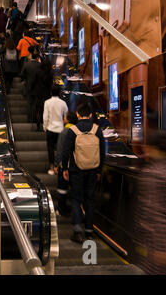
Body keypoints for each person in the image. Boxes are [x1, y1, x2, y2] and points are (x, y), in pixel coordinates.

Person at [61, 103, 105, 244]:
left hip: (76, 170)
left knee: (75, 199)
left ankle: (77, 231)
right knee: (90, 199)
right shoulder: (97, 130)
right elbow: (103, 153)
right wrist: (99, 170)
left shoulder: (72, 130)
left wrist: (64, 169)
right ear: (91, 115)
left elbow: (65, 152)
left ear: (78, 115)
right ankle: (89, 231)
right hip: (93, 170)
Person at [134, 131, 166, 274]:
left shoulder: (154, 174)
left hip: (157, 243)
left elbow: (154, 212)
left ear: (152, 148)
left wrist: (160, 247)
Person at [54, 111, 78, 216]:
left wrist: (56, 164)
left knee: (62, 189)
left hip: (64, 166)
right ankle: (76, 212)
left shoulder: (64, 132)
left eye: (64, 117)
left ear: (67, 119)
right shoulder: (78, 131)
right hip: (76, 165)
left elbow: (60, 150)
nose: (63, 118)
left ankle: (61, 210)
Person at [43, 84, 68, 175]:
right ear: (59, 92)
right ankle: (59, 168)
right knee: (60, 149)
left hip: (50, 128)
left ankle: (52, 168)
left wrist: (45, 127)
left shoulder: (47, 102)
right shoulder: (63, 103)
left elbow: (45, 117)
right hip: (60, 129)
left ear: (51, 92)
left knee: (50, 149)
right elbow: (66, 116)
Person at [21, 49, 47, 131]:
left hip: (30, 88)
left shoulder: (27, 65)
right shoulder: (41, 65)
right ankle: (39, 121)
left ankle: (31, 119)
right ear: (38, 57)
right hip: (40, 89)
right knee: (39, 106)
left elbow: (21, 75)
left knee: (30, 104)